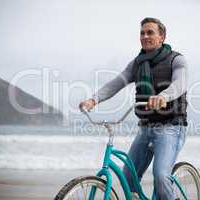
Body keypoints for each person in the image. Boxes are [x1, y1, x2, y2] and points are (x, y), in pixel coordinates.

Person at [79, 17, 188, 200]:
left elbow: (180, 84)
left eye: (150, 32)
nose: (145, 36)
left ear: (162, 37)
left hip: (171, 126)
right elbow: (116, 83)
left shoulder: (176, 59)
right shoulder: (137, 63)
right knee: (127, 177)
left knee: (161, 177)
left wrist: (163, 97)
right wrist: (93, 100)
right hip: (146, 127)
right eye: (142, 33)